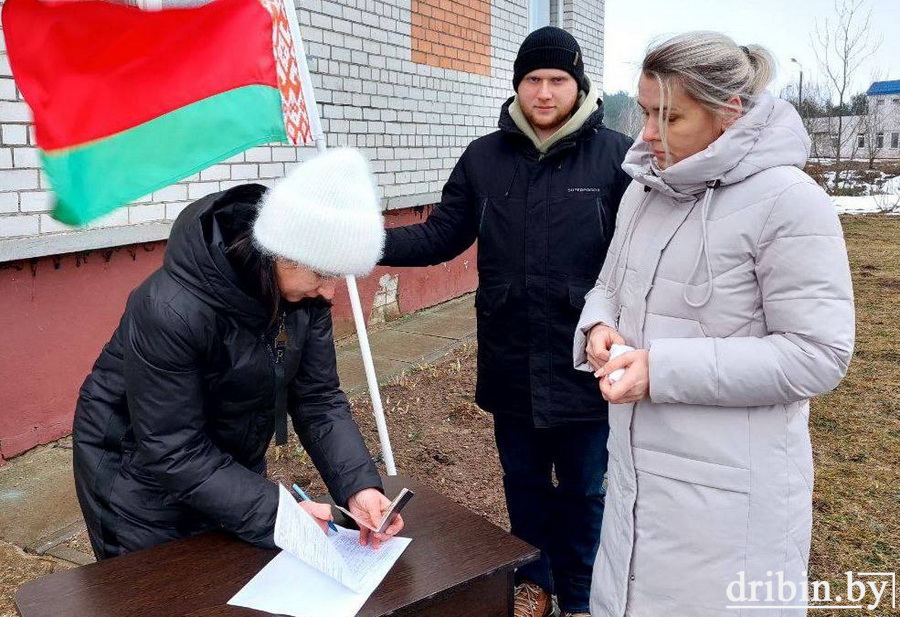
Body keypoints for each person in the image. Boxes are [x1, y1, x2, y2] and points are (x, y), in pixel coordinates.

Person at [573, 32, 855, 616]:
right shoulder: (646, 189)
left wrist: (660, 369)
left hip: (730, 499)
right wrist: (599, 326)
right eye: (645, 111)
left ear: (729, 113)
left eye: (668, 116)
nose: (647, 132)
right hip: (635, 477)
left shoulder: (788, 201)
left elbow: (818, 353)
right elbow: (609, 285)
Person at [380, 26, 632, 617]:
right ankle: (535, 581)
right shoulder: (484, 159)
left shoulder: (616, 157)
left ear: (579, 86)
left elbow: (638, 253)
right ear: (517, 85)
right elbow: (442, 235)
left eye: (557, 80)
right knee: (523, 484)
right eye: (532, 80)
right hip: (511, 355)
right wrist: (364, 243)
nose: (544, 93)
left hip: (585, 362)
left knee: (586, 490)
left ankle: (580, 592)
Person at [73, 148, 404, 560]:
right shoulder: (170, 308)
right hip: (135, 478)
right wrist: (279, 513)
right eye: (322, 273)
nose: (328, 292)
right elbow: (173, 448)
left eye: (339, 276)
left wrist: (358, 487)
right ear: (281, 251)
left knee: (233, 575)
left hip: (224, 461)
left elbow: (317, 399)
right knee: (157, 592)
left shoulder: (304, 299)